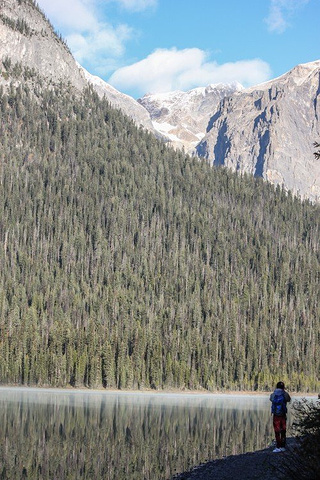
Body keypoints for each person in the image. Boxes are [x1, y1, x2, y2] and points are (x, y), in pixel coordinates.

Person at [270, 381, 291, 453]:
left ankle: (278, 447)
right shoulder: (285, 394)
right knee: (283, 430)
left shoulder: (273, 394)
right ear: (283, 387)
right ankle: (283, 446)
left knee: (277, 431)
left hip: (276, 415)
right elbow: (289, 399)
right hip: (283, 415)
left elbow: (271, 399)